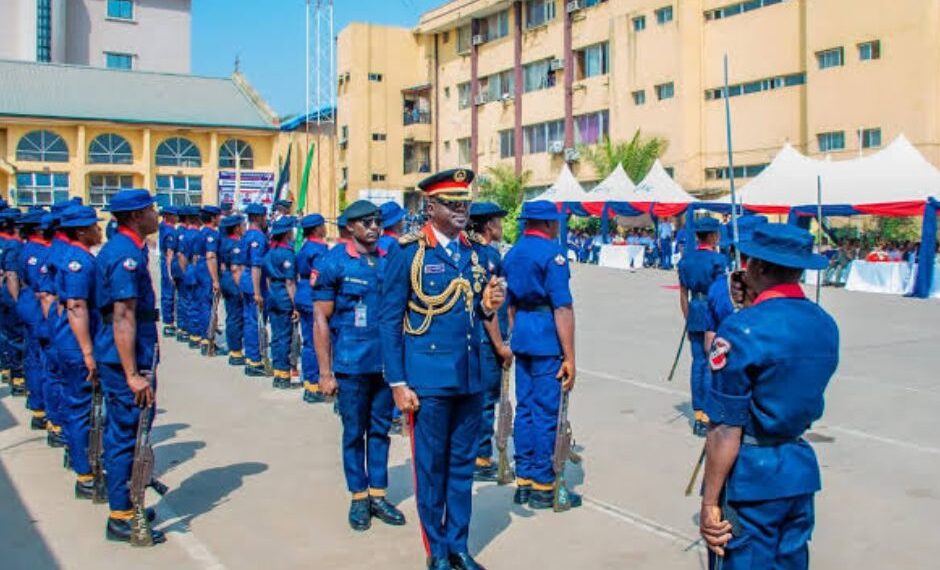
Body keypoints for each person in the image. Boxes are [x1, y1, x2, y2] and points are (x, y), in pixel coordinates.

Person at [380, 168, 505, 570]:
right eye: (451, 204)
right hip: (428, 380)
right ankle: (436, 550)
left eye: (464, 204)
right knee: (431, 468)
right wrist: (398, 382)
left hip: (469, 377)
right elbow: (389, 320)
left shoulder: (474, 252)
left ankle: (458, 545)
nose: (461, 211)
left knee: (462, 466)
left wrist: (489, 305)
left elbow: (473, 311)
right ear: (430, 207)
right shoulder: (409, 252)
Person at [700, 223, 838, 570]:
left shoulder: (742, 329)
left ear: (758, 268)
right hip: (797, 468)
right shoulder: (824, 323)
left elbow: (725, 430)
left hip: (752, 474)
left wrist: (709, 501)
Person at [313, 200, 406, 531]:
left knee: (380, 431)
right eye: (365, 222)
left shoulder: (391, 257)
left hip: (386, 363)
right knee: (354, 432)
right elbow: (321, 320)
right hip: (351, 364)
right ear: (349, 227)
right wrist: (325, 373)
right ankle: (358, 497)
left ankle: (378, 494)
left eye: (377, 221)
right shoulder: (333, 263)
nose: (373, 227)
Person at [93, 189, 164, 545]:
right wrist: (132, 373)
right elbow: (123, 316)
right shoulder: (125, 256)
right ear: (136, 216)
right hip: (126, 360)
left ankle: (130, 504)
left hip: (132, 354)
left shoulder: (129, 249)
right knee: (126, 435)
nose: (156, 215)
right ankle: (121, 514)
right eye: (151, 210)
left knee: (131, 432)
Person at [502, 201, 579, 510]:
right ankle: (544, 485)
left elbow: (508, 306)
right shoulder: (553, 255)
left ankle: (524, 479)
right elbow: (562, 307)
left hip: (522, 334)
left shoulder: (513, 253)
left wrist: (514, 335)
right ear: (548, 224)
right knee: (547, 412)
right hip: (547, 337)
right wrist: (570, 356)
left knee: (525, 409)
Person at [57, 205, 105, 498]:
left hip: (74, 341)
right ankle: (86, 474)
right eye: (93, 227)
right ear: (81, 231)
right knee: (82, 409)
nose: (98, 230)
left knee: (81, 408)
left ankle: (84, 462)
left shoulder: (79, 256)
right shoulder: (78, 261)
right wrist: (88, 352)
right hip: (77, 344)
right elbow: (76, 306)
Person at [467, 201, 512, 483]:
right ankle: (480, 456)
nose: (501, 227)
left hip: (478, 339)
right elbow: (489, 310)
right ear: (488, 226)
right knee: (485, 400)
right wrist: (500, 345)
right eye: (498, 221)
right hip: (486, 340)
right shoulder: (487, 256)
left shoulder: (472, 252)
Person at [677, 216, 726, 437]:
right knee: (710, 364)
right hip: (712, 310)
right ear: (714, 235)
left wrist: (688, 319)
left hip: (695, 310)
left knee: (697, 363)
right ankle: (707, 413)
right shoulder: (718, 260)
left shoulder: (686, 260)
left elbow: (682, 295)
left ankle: (697, 415)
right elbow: (721, 293)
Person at [15, 210, 52, 428]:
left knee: (33, 357)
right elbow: (44, 291)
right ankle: (45, 411)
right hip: (38, 308)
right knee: (44, 359)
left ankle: (38, 406)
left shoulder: (26, 249)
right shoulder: (41, 253)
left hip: (27, 303)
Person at [377, 201, 406, 432]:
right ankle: (395, 414)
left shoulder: (378, 244)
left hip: (380, 306)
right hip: (396, 309)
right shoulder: (398, 247)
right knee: (396, 360)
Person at [295, 214, 329, 403]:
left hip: (302, 292)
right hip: (314, 297)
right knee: (319, 342)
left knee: (308, 341)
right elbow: (320, 276)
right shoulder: (319, 249)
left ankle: (310, 383)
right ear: (317, 229)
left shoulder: (305, 247)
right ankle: (316, 382)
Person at [262, 216, 298, 389]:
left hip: (272, 294)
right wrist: (295, 305)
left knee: (277, 335)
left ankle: (278, 370)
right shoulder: (287, 254)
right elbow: (290, 282)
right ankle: (284, 373)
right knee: (285, 336)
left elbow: (268, 279)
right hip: (284, 295)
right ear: (286, 233)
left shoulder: (269, 252)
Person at [241, 203, 270, 377]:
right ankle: (254, 359)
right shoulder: (258, 238)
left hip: (247, 281)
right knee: (255, 320)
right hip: (254, 282)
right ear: (259, 218)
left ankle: (251, 355)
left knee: (249, 318)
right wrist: (258, 291)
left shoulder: (247, 235)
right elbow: (256, 265)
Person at [0, 208, 26, 397]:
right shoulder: (13, 245)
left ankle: (6, 368)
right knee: (17, 337)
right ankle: (17, 377)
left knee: (5, 334)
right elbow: (11, 274)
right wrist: (18, 301)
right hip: (10, 295)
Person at [219, 215, 246, 366]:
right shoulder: (236, 244)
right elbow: (236, 269)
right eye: (242, 225)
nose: (244, 228)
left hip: (225, 278)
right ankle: (236, 351)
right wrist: (241, 289)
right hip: (233, 281)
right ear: (236, 228)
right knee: (236, 316)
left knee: (231, 314)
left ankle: (233, 348)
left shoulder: (224, 242)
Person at [198, 205, 223, 356]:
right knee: (210, 305)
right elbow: (211, 256)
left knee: (203, 304)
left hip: (199, 269)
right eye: (218, 216)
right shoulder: (212, 234)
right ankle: (208, 340)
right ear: (213, 218)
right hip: (208, 271)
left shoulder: (201, 232)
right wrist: (215, 280)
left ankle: (204, 338)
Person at [158, 206, 179, 338]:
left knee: (166, 291)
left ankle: (168, 321)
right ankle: (169, 322)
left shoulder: (162, 226)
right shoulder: (170, 230)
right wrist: (170, 271)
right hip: (168, 261)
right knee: (169, 292)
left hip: (163, 259)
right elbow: (170, 252)